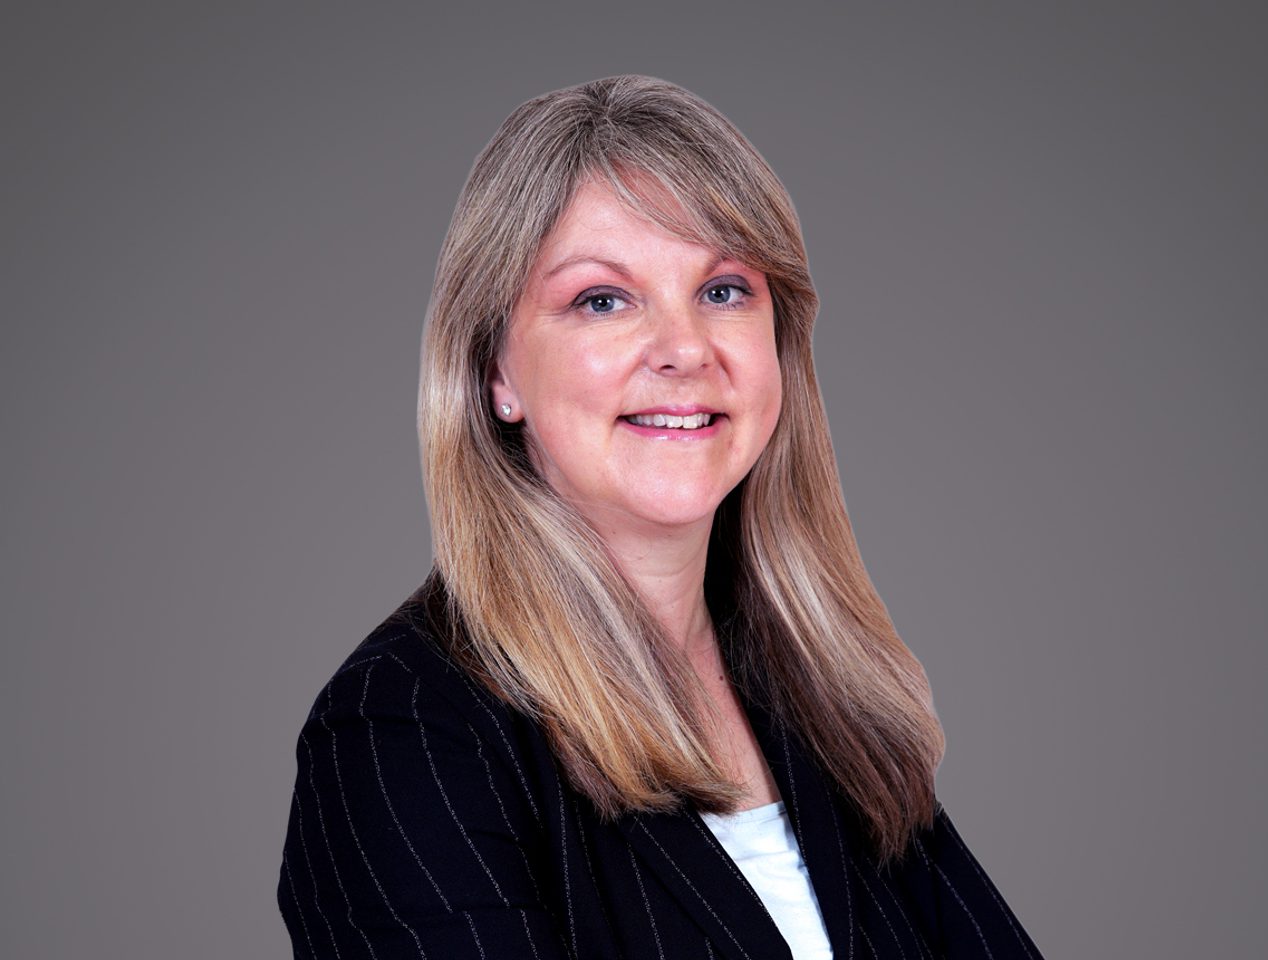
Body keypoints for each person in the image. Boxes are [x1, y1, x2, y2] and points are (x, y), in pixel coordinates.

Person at [277, 74, 1044, 959]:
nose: (685, 350)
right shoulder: (403, 732)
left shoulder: (824, 700)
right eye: (603, 300)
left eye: (724, 291)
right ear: (497, 372)